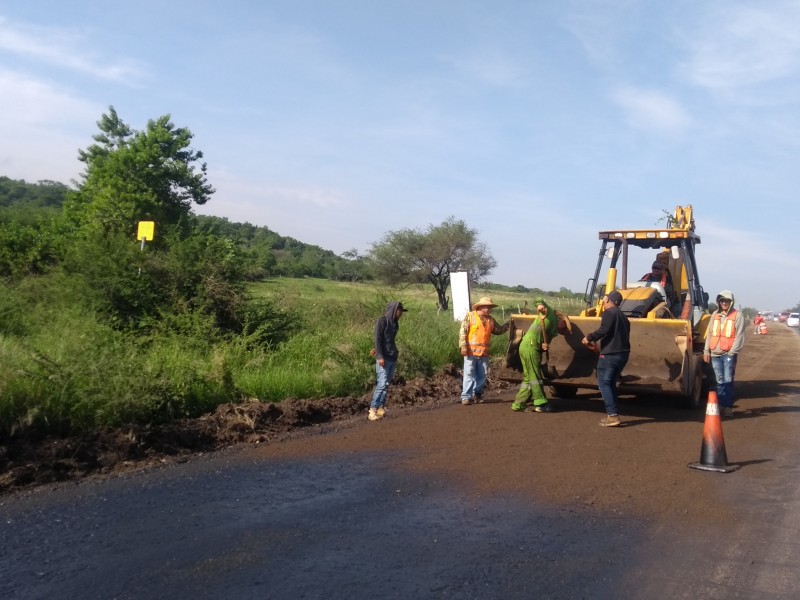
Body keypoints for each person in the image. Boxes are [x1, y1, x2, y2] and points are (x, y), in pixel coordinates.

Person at [581, 290, 631, 427]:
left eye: (604, 298)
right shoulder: (623, 317)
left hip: (610, 355)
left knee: (603, 383)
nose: (603, 300)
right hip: (623, 354)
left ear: (608, 300)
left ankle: (613, 416)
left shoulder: (609, 313)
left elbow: (604, 330)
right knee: (610, 384)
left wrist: (589, 338)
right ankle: (612, 414)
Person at [512, 297, 559, 413]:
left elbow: (545, 341)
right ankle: (540, 402)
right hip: (530, 346)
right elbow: (538, 299)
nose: (564, 329)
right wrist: (540, 305)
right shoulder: (550, 314)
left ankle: (518, 404)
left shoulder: (554, 331)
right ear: (562, 320)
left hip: (527, 346)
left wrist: (545, 344)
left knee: (529, 378)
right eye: (565, 326)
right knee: (535, 377)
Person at [458, 296, 509, 405]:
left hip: (484, 353)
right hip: (470, 352)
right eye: (488, 307)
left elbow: (498, 330)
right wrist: (463, 346)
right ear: (481, 307)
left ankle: (477, 394)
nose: (490, 309)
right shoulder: (470, 316)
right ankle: (466, 397)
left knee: (482, 375)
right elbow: (463, 332)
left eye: (491, 307)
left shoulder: (490, 320)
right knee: (469, 374)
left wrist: (509, 324)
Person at [703, 290, 745, 418]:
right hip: (715, 353)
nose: (724, 303)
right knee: (719, 381)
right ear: (718, 302)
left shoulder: (737, 315)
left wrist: (732, 352)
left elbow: (740, 336)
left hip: (728, 354)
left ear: (731, 302)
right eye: (722, 301)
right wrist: (706, 351)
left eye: (726, 301)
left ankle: (727, 407)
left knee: (728, 380)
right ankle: (721, 405)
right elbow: (709, 334)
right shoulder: (715, 314)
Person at [369, 301, 408, 421]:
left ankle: (380, 407)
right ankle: (373, 409)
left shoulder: (395, 324)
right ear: (394, 310)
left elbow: (388, 341)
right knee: (381, 384)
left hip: (392, 357)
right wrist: (380, 355)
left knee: (386, 384)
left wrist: (378, 349)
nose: (401, 313)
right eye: (400, 311)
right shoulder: (382, 321)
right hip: (384, 358)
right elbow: (378, 338)